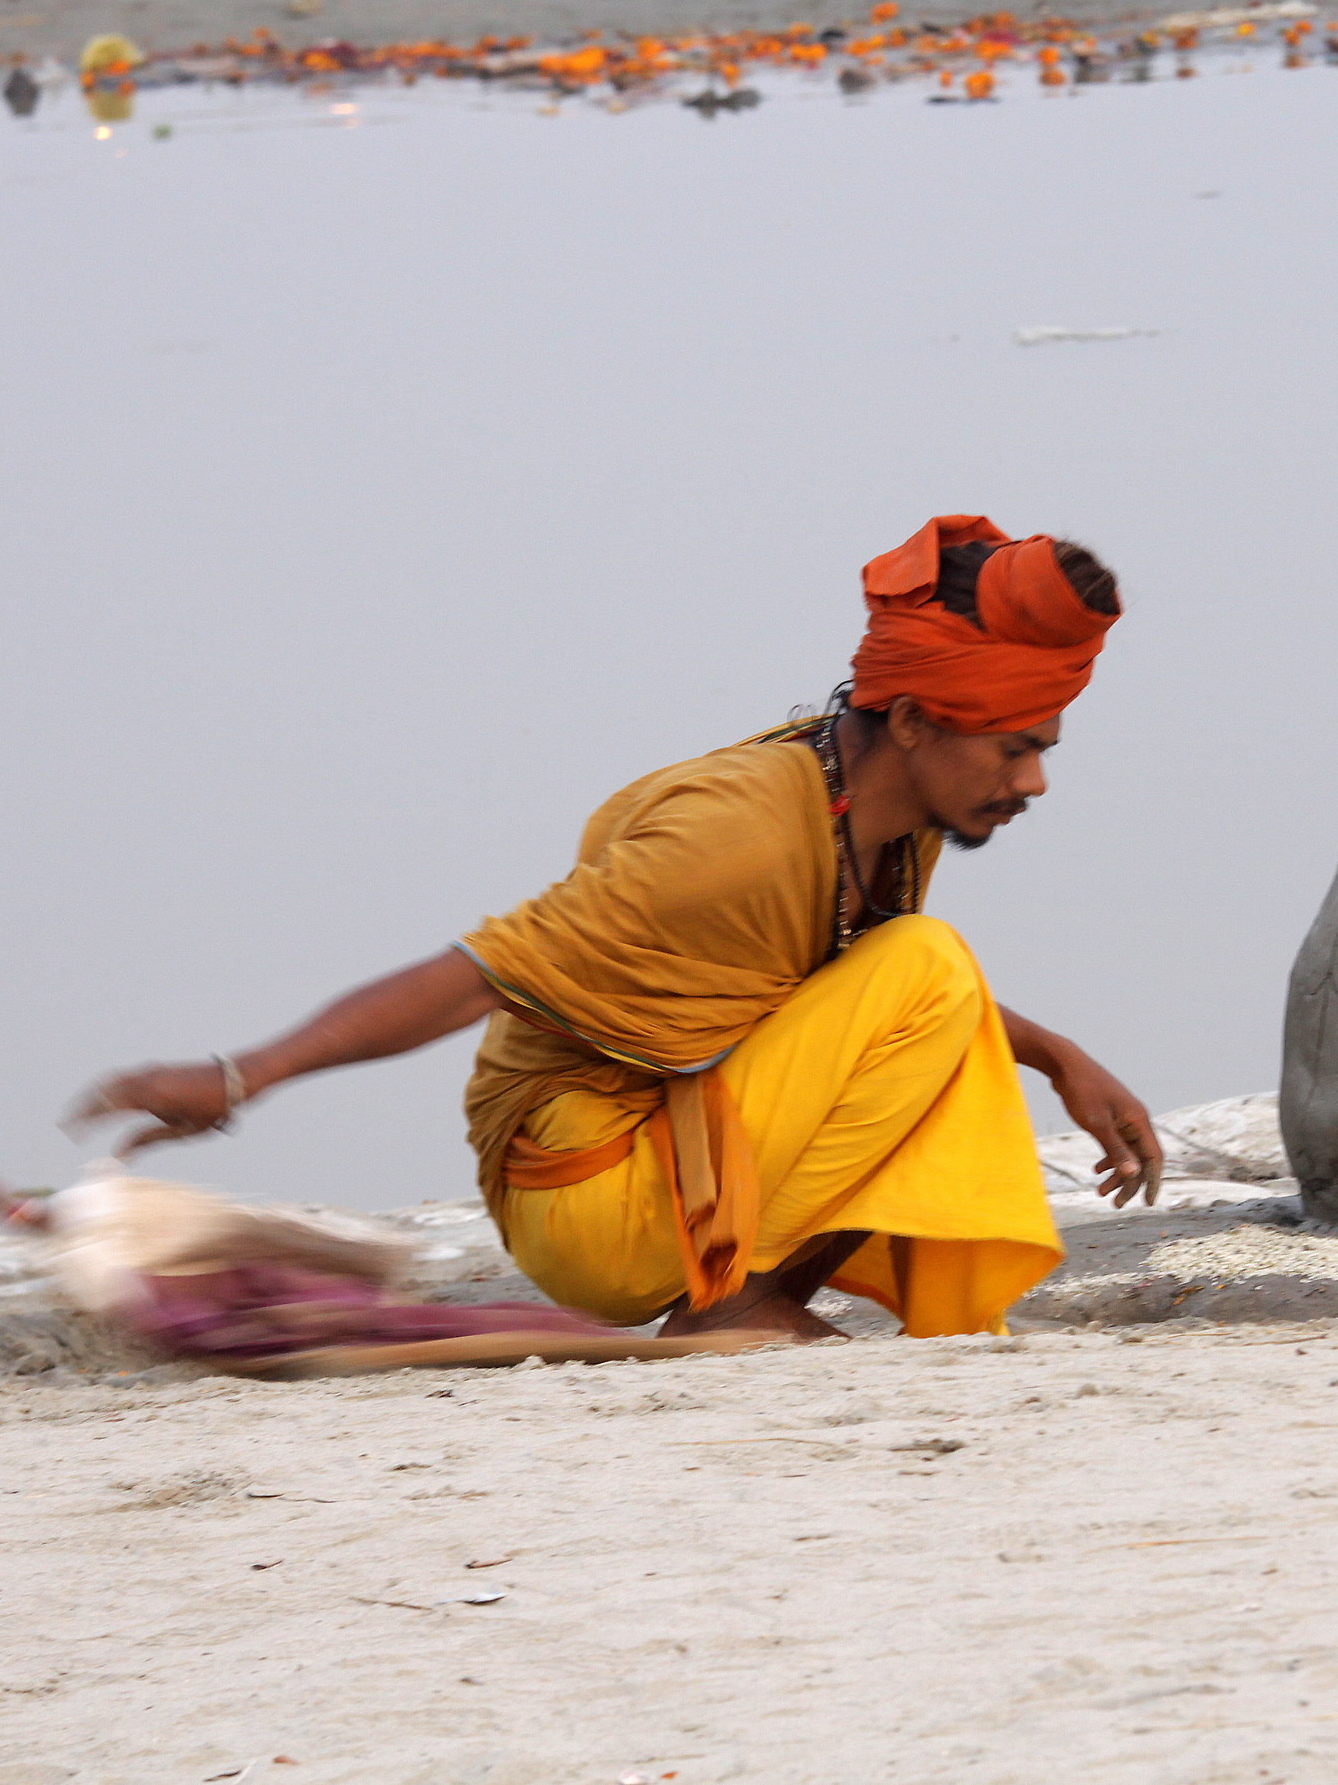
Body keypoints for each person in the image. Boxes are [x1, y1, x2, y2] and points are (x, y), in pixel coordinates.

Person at [71, 515, 1164, 1344]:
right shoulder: (732, 837)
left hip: (665, 1149)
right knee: (931, 965)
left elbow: (846, 988)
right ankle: (741, 1308)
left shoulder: (890, 808)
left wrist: (1058, 1056)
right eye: (1014, 748)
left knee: (921, 979)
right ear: (918, 720)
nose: (1034, 781)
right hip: (587, 1194)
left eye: (1045, 749)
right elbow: (477, 974)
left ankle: (746, 1302)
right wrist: (240, 1076)